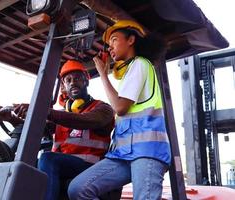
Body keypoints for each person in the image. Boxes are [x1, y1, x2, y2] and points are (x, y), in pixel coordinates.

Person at [68, 20, 171, 200]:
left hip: (146, 151)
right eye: (108, 44)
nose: (110, 48)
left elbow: (120, 107)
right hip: (123, 154)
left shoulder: (140, 64)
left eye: (114, 40)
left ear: (131, 40)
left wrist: (102, 73)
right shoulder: (130, 73)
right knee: (78, 189)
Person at [0, 60, 114, 200]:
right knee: (24, 165)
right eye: (68, 80)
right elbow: (40, 129)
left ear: (86, 81)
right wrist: (11, 119)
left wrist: (44, 110)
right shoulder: (62, 115)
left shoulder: (103, 109)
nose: (73, 82)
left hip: (91, 168)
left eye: (77, 78)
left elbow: (88, 120)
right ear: (63, 86)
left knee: (48, 158)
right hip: (63, 165)